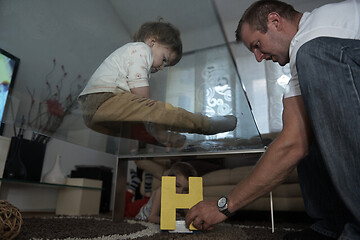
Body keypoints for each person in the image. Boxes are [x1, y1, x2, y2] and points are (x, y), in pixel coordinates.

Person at [185, 0, 360, 239]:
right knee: (305, 122)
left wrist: (223, 206)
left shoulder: (317, 38)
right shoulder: (305, 56)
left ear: (275, 21)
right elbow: (293, 142)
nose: (258, 57)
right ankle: (333, 225)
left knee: (311, 56)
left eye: (257, 45)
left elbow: (291, 146)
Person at [78, 20, 237, 148]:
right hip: (103, 100)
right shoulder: (141, 49)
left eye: (165, 66)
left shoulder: (131, 54)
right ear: (152, 41)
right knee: (160, 110)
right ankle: (206, 124)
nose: (161, 67)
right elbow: (142, 95)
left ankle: (164, 138)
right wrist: (148, 105)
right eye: (164, 59)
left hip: (94, 115)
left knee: (139, 128)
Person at [125, 162, 198, 224]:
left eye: (185, 189)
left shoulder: (184, 194)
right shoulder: (161, 191)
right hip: (144, 218)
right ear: (169, 181)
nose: (181, 192)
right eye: (177, 186)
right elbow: (151, 217)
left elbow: (188, 215)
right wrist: (169, 219)